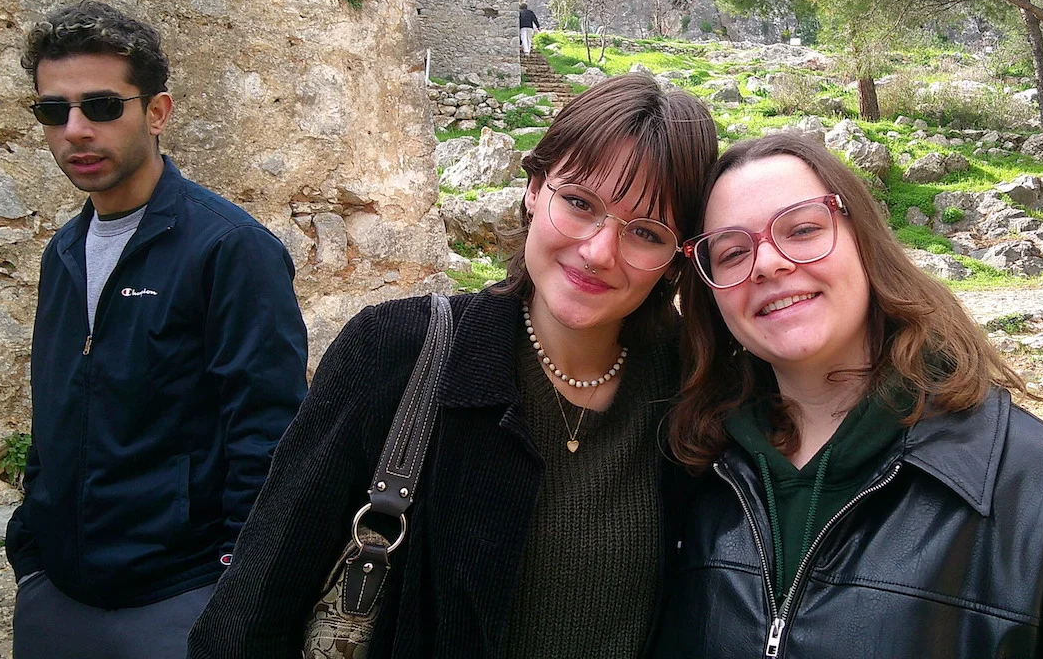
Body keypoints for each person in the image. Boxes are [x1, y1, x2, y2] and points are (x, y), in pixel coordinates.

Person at [188, 72, 719, 658]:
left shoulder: (690, 390)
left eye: (645, 232)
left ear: (677, 256)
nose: (598, 251)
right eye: (578, 202)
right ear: (534, 189)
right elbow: (253, 609)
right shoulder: (396, 350)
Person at [657, 133, 1043, 658]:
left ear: (863, 240)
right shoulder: (693, 472)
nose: (768, 263)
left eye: (802, 229)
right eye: (732, 252)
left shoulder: (1039, 487)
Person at [6, 0, 309, 659]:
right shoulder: (63, 252)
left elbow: (269, 435)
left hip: (177, 602)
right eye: (53, 111)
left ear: (158, 111)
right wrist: (29, 551)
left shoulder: (231, 250)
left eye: (102, 107)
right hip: (54, 595)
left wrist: (232, 591)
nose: (75, 130)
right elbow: (55, 410)